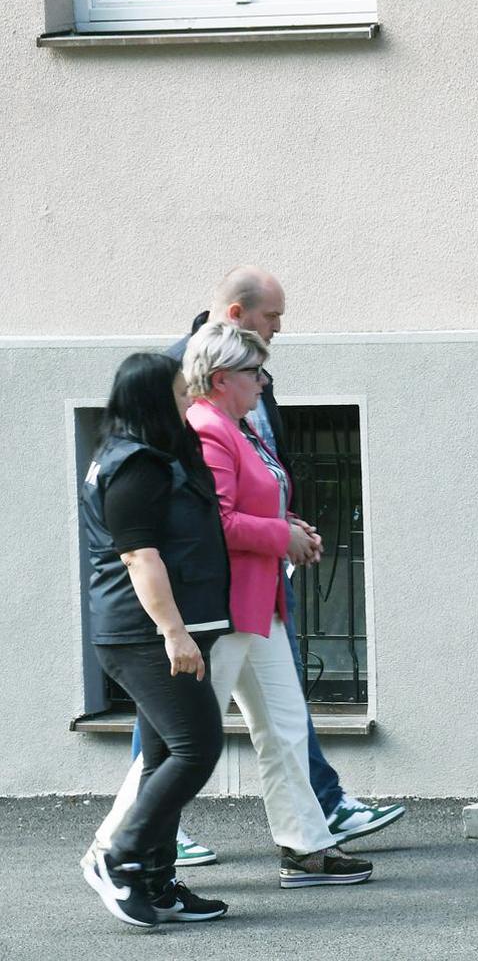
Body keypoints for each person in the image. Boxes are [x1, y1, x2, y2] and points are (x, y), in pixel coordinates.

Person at [129, 266, 403, 867]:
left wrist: (287, 525)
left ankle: (305, 847)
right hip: (223, 608)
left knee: (283, 729)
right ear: (224, 378)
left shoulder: (236, 423)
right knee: (182, 740)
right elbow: (217, 523)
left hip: (259, 604)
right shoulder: (208, 428)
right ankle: (124, 849)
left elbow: (260, 494)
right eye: (256, 373)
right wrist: (281, 536)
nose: (266, 380)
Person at [79, 352, 231, 926]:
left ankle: (156, 880)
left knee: (167, 753)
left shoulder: (146, 457)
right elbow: (139, 555)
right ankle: (118, 859)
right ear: (151, 400)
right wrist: (174, 632)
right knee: (197, 747)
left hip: (155, 630)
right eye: (180, 390)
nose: (190, 397)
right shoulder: (136, 465)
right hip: (144, 633)